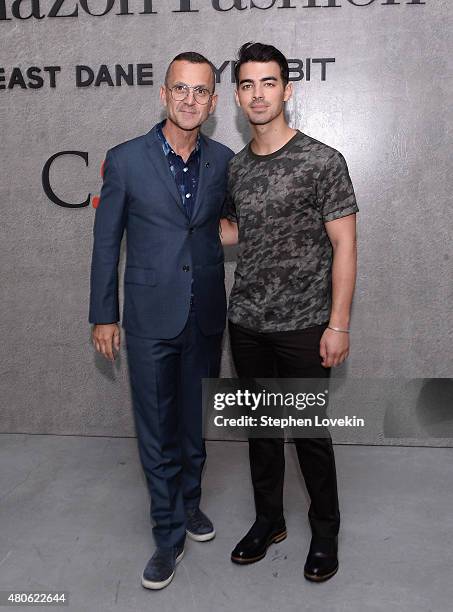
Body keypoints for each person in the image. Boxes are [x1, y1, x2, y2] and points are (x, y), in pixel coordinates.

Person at [89, 52, 234, 590]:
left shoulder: (223, 160)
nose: (190, 100)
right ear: (163, 94)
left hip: (204, 314)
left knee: (192, 424)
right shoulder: (125, 160)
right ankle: (167, 532)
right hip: (148, 317)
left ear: (214, 103)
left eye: (201, 92)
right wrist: (104, 315)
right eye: (181, 89)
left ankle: (189, 505)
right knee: (156, 428)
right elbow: (107, 245)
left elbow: (221, 226)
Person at [221, 42, 358, 582]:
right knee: (261, 432)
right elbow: (234, 231)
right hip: (248, 322)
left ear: (287, 89)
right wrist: (176, 223)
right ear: (237, 95)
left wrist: (338, 322)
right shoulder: (234, 168)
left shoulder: (322, 160)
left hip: (305, 326)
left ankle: (325, 533)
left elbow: (345, 244)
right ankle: (268, 520)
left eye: (269, 83)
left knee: (307, 435)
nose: (258, 94)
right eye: (248, 85)